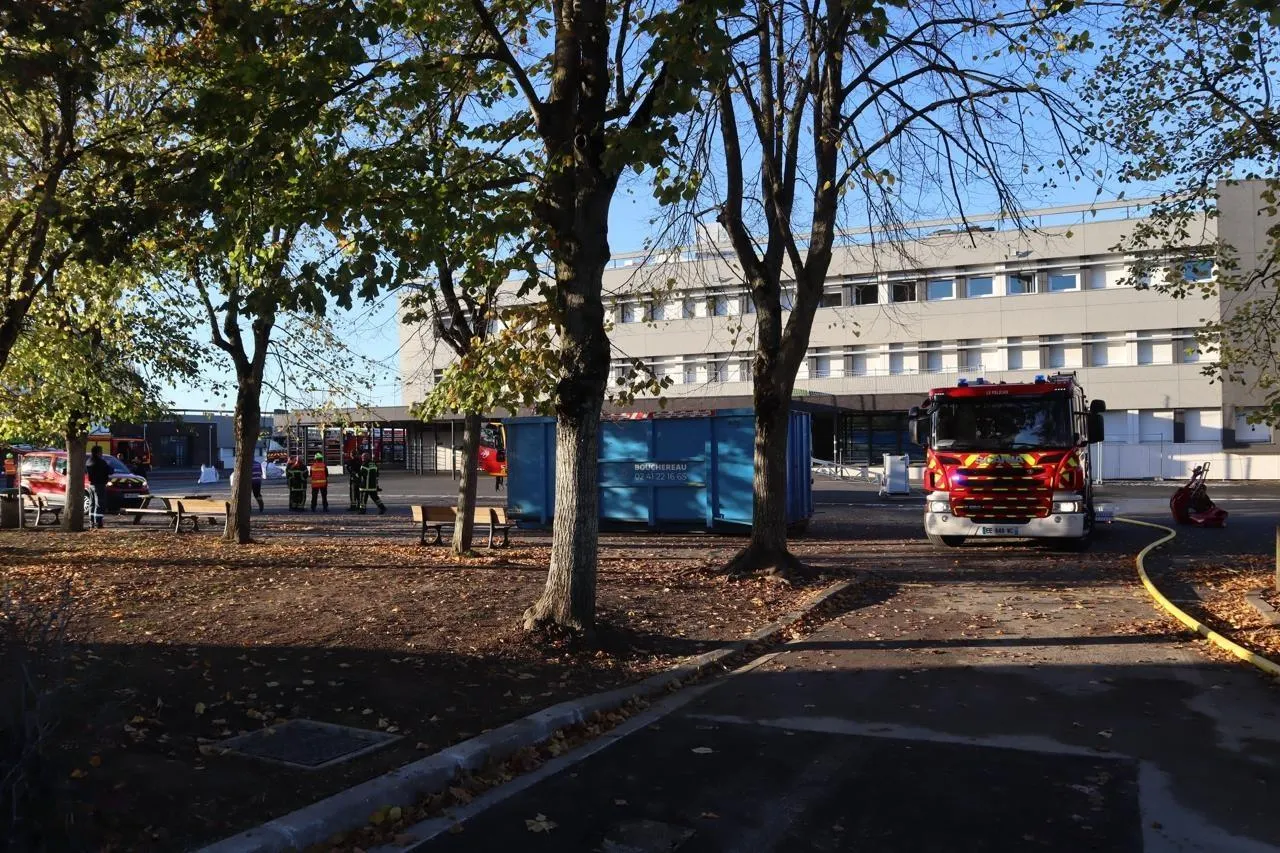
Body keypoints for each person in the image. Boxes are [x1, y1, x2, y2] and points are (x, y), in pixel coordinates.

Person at [87, 446, 111, 529]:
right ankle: (98, 522)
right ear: (98, 452)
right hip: (100, 484)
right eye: (101, 452)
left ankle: (91, 522)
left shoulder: (89, 461)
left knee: (92, 503)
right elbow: (110, 470)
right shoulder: (101, 462)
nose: (102, 454)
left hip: (91, 485)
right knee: (99, 504)